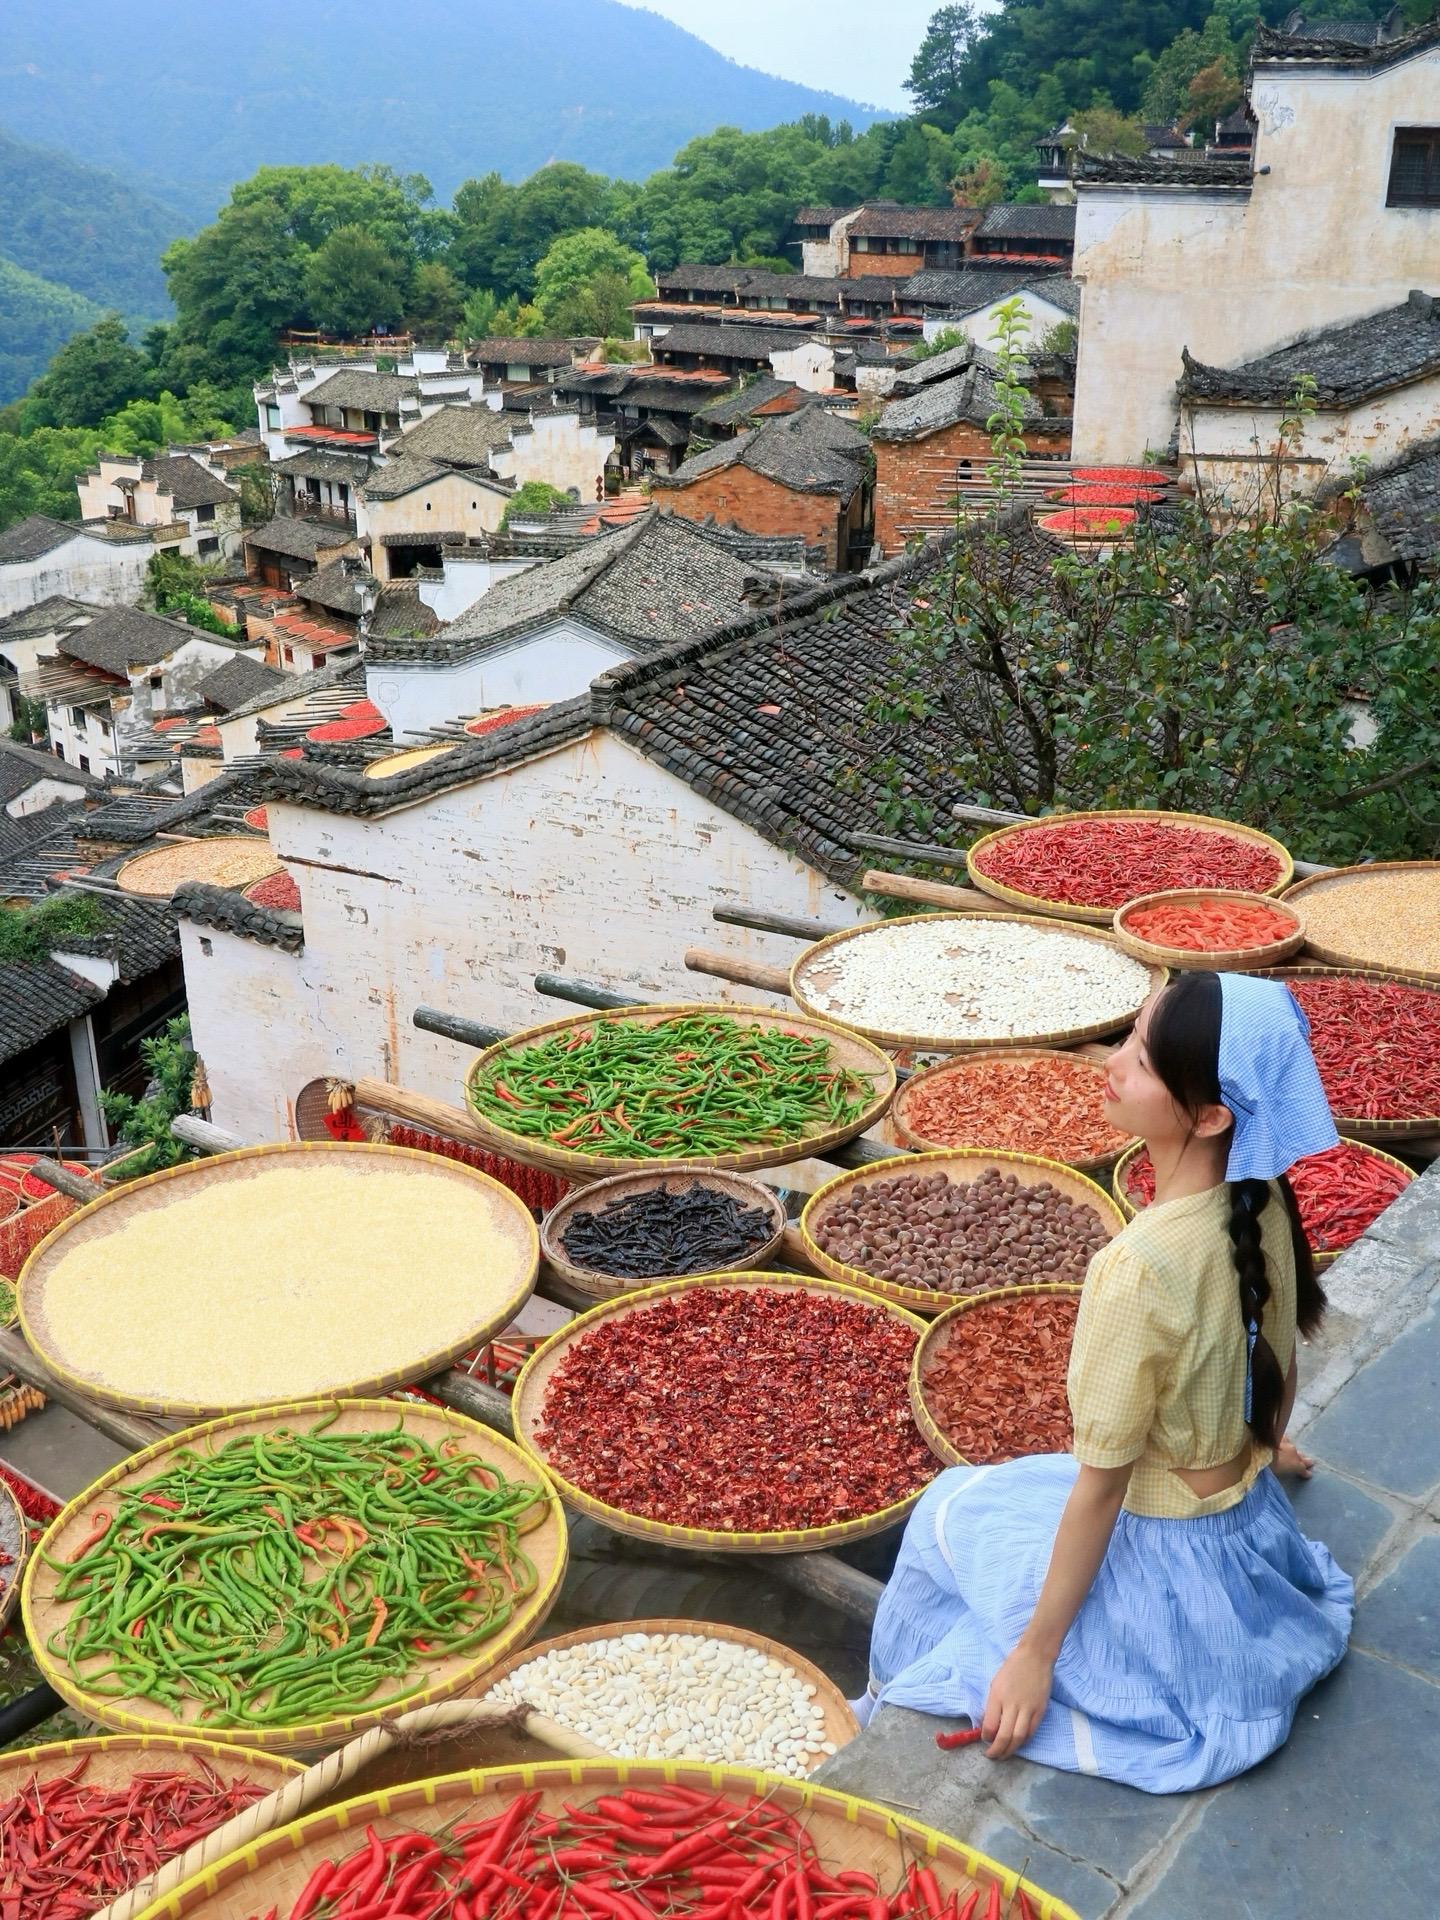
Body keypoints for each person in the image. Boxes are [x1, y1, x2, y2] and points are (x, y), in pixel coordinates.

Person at [859, 971, 1355, 1793]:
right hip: (1241, 1522)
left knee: (946, 1511)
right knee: (988, 1508)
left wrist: (1035, 1656)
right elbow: (1276, 1351)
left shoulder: (1135, 1269)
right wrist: (1262, 1441)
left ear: (1209, 1115)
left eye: (1141, 1058)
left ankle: (885, 1694)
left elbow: (1100, 1490)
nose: (1112, 1064)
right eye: (1127, 1038)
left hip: (1168, 1563)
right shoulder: (1264, 1200)